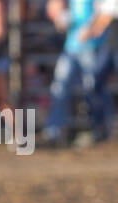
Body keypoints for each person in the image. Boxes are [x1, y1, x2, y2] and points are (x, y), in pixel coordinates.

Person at [44, 0, 115, 142]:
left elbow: (107, 11)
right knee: (60, 87)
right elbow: (55, 7)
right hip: (72, 47)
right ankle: (54, 130)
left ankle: (101, 130)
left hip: (93, 46)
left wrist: (90, 30)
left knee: (94, 89)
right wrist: (59, 16)